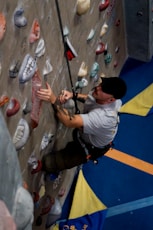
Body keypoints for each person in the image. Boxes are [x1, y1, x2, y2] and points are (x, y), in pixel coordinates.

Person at [34, 77, 127, 174]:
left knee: (49, 163)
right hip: (87, 134)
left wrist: (53, 99)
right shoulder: (108, 98)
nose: (98, 88)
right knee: (73, 139)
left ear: (111, 100)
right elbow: (90, 98)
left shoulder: (103, 118)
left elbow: (68, 121)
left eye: (103, 89)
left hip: (89, 147)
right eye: (101, 85)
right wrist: (72, 95)